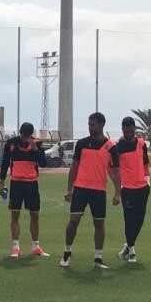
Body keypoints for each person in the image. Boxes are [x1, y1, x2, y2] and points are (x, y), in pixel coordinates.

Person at [60, 112, 121, 269]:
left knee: (99, 224)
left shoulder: (110, 147)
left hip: (99, 190)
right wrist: (69, 189)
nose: (90, 127)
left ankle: (98, 258)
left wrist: (117, 192)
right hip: (81, 188)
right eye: (88, 124)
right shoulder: (81, 144)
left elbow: (115, 172)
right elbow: (74, 167)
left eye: (92, 125)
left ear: (101, 125)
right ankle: (67, 252)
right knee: (73, 221)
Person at [0, 122, 48, 258]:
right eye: (23, 135)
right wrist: (2, 183)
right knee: (15, 215)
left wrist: (35, 150)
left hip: (32, 183)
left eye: (27, 136)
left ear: (31, 135)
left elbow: (43, 163)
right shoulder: (11, 143)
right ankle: (16, 247)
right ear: (20, 133)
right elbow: (4, 163)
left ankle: (36, 246)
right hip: (16, 183)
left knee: (35, 215)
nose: (25, 138)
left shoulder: (37, 144)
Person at [115, 117, 150, 263]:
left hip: (142, 187)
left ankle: (127, 246)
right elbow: (115, 168)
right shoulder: (118, 147)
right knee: (129, 219)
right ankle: (132, 251)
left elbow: (145, 164)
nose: (128, 133)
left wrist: (148, 183)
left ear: (134, 129)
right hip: (127, 188)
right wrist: (118, 188)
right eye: (125, 131)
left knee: (139, 219)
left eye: (130, 131)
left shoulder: (141, 144)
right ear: (122, 130)